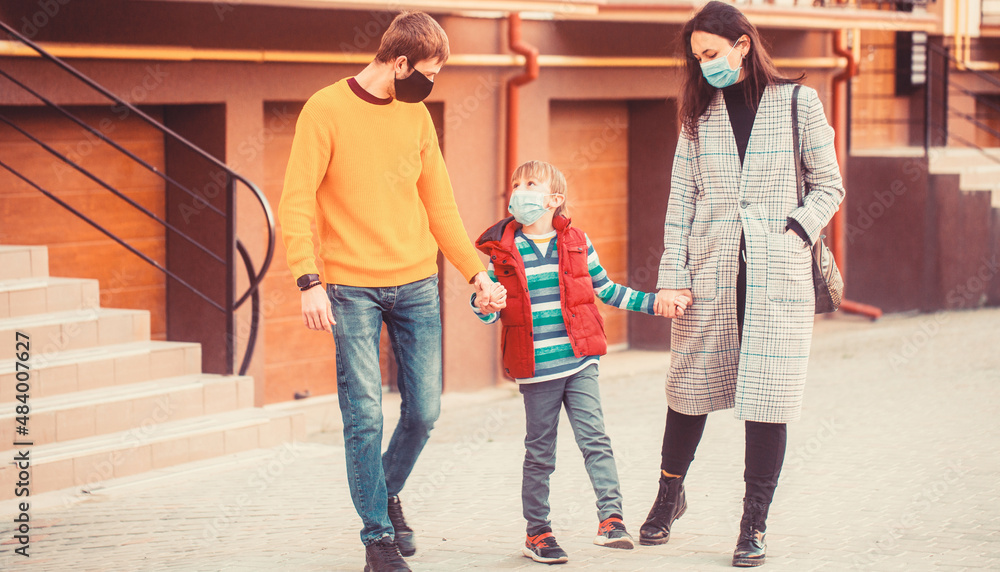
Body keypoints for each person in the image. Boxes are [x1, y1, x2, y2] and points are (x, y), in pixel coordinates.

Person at [277, 11, 499, 572]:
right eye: (429, 73)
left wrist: (475, 273)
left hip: (417, 282)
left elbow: (440, 206)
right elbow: (296, 201)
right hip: (350, 287)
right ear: (400, 63)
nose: (431, 84)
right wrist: (308, 279)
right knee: (365, 416)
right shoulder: (324, 110)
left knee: (424, 411)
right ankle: (378, 537)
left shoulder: (416, 116)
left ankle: (385, 490)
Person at [640, 1, 845, 568]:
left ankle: (754, 523)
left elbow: (829, 186)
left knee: (768, 400)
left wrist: (793, 233)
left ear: (742, 45)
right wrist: (671, 278)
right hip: (708, 273)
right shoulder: (698, 115)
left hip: (777, 277)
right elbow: (681, 201)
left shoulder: (798, 102)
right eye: (696, 57)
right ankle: (668, 496)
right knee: (688, 391)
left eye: (711, 53)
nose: (703, 64)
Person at [472, 160, 679, 565]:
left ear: (554, 199)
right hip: (536, 370)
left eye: (530, 183)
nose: (520, 190)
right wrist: (483, 304)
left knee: (595, 440)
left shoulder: (577, 241)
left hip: (580, 361)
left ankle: (611, 520)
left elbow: (606, 289)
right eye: (516, 183)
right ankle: (538, 532)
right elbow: (490, 306)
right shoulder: (502, 253)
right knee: (540, 452)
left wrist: (655, 303)